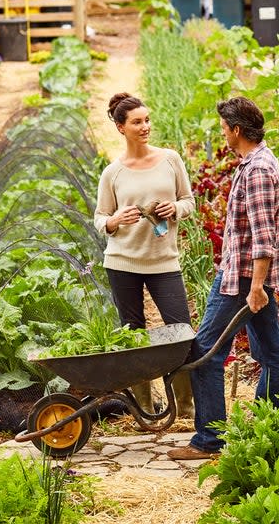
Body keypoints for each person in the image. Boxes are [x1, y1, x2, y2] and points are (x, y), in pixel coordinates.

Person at [167, 96, 279, 460]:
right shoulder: (255, 163)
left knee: (206, 352)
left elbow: (264, 236)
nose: (222, 136)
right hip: (249, 277)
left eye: (223, 129)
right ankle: (273, 428)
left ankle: (208, 441)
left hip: (243, 279)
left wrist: (255, 287)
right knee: (270, 355)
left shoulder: (258, 171)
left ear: (237, 130)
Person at [94, 92, 196, 419]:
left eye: (147, 120)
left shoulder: (170, 159)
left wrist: (175, 208)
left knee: (180, 331)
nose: (145, 126)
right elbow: (99, 218)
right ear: (121, 128)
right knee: (134, 334)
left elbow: (189, 201)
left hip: (164, 261)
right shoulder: (113, 173)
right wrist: (114, 221)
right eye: (137, 122)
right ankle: (144, 409)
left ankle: (184, 410)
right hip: (123, 262)